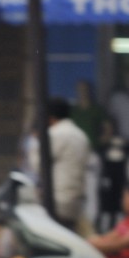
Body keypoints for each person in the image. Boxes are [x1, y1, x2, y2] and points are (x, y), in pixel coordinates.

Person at [42, 96, 92, 231]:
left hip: (57, 201)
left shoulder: (54, 133)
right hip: (77, 203)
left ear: (50, 117)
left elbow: (38, 165)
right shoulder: (81, 135)